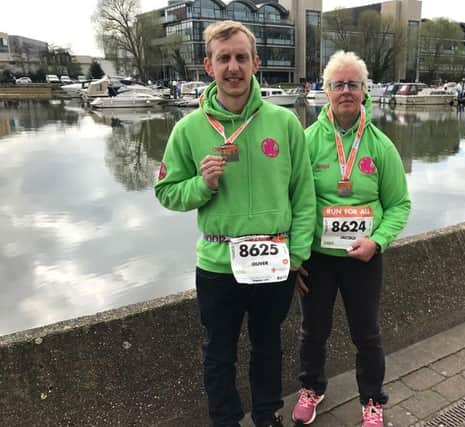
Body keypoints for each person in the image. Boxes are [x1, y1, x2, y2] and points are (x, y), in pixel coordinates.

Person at [155, 20, 316, 427]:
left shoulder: (285, 124)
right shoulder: (188, 130)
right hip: (217, 263)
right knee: (218, 353)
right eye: (223, 58)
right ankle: (225, 421)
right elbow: (166, 192)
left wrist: (296, 255)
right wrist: (201, 185)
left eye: (241, 57)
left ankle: (267, 415)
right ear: (208, 66)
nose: (233, 67)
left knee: (268, 349)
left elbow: (304, 194)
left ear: (256, 63)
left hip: (274, 260)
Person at [292, 51, 410, 427]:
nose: (346, 91)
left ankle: (372, 399)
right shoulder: (306, 142)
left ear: (364, 91)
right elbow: (291, 203)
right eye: (338, 84)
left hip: (364, 256)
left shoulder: (381, 146)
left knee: (367, 333)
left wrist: (378, 241)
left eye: (353, 84)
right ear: (325, 91)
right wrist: (294, 256)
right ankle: (312, 388)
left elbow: (399, 205)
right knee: (313, 331)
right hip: (318, 257)